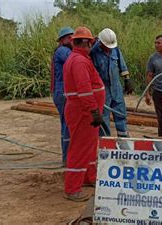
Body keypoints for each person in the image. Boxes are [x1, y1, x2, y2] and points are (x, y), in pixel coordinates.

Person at [62, 27, 105, 201]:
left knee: (88, 146)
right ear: (87, 42)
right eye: (91, 43)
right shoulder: (79, 61)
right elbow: (85, 90)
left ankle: (89, 177)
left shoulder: (78, 59)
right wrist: (93, 110)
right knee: (80, 148)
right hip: (83, 111)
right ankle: (72, 189)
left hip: (83, 110)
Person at [90, 28, 133, 137]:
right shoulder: (93, 52)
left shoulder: (115, 49)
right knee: (104, 117)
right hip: (102, 90)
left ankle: (123, 140)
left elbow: (122, 65)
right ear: (101, 42)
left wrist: (127, 79)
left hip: (116, 88)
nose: (109, 49)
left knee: (121, 114)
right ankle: (105, 143)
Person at [51, 26, 74, 166]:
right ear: (63, 40)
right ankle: (67, 159)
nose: (72, 40)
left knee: (68, 123)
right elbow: (75, 62)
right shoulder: (63, 51)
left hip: (63, 91)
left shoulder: (65, 51)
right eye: (70, 37)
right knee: (67, 123)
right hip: (63, 91)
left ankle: (68, 157)